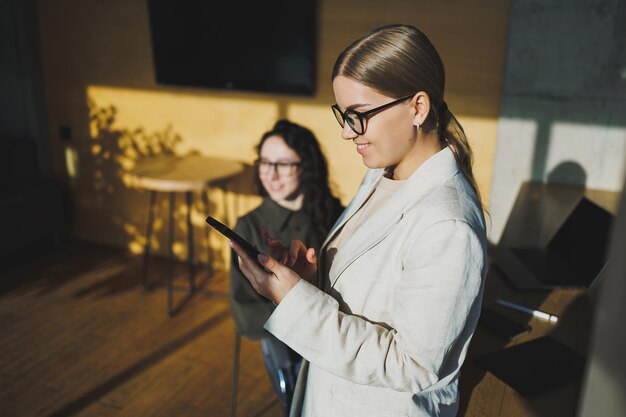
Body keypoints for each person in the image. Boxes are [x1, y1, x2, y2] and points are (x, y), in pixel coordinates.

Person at [230, 24, 487, 417]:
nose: (349, 133)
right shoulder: (381, 175)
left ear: (418, 107)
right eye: (343, 115)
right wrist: (311, 283)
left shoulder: (447, 226)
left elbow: (413, 366)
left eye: (360, 115)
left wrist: (293, 300)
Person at [229, 119, 343, 414]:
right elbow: (246, 312)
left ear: (306, 166)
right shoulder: (249, 226)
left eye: (283, 164)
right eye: (265, 163)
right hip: (286, 341)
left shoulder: (335, 213)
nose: (271, 174)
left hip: (341, 328)